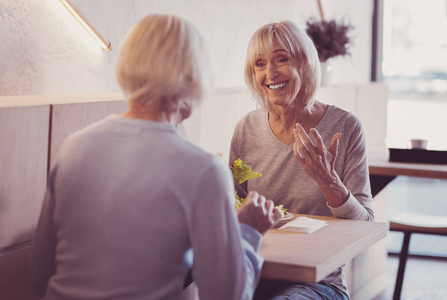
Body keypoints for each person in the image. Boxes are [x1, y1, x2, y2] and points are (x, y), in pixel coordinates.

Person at [30, 14, 281, 300]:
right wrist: (247, 232)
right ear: (193, 78)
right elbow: (227, 296)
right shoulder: (204, 170)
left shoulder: (72, 147)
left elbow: (39, 276)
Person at [229, 20, 374, 300]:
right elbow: (234, 212)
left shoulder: (346, 126)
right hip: (254, 274)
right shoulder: (245, 129)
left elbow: (364, 226)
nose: (270, 73)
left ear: (305, 64)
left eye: (281, 59)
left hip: (318, 284)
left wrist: (328, 180)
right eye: (260, 64)